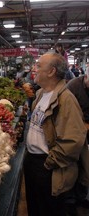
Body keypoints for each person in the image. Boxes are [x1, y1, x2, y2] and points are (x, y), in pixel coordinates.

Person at [24, 52, 88, 216]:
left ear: (51, 71)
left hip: (47, 167)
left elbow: (74, 140)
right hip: (33, 162)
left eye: (39, 66)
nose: (34, 69)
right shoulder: (41, 94)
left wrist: (49, 163)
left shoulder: (66, 99)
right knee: (35, 207)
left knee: (48, 209)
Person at [67, 66, 89, 209]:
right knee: (72, 166)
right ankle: (70, 201)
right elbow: (64, 110)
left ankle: (81, 197)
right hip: (73, 132)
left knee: (86, 168)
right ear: (85, 77)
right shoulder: (73, 86)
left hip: (87, 133)